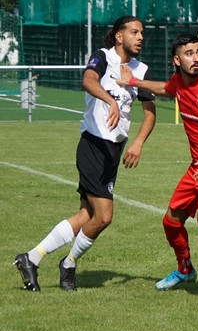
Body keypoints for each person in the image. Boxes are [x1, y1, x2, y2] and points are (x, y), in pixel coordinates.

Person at [13, 16, 156, 292]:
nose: (140, 37)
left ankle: (31, 258)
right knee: (104, 216)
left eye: (142, 33)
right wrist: (110, 100)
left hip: (113, 150)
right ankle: (68, 264)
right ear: (119, 36)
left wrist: (138, 142)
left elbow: (150, 114)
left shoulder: (142, 70)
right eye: (134, 32)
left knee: (85, 215)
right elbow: (88, 80)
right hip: (93, 145)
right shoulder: (102, 57)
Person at [118, 33, 198, 304]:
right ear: (177, 60)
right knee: (171, 222)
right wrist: (133, 81)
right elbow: (164, 88)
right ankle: (185, 269)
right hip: (197, 168)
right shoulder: (178, 82)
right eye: (189, 54)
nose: (196, 58)